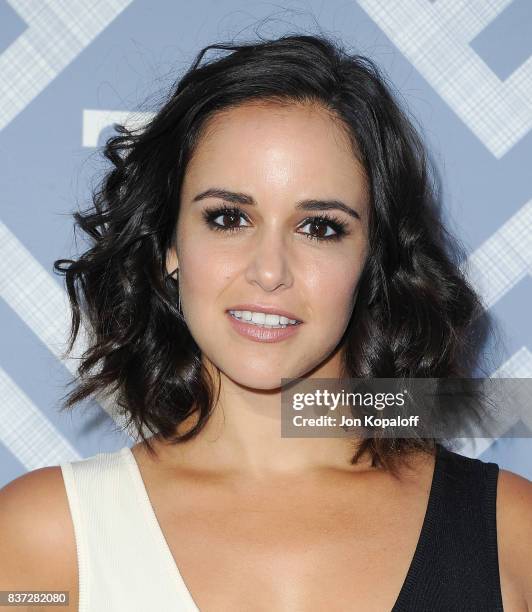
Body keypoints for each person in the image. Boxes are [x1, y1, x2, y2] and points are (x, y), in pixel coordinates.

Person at [1, 33, 531, 612]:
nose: (270, 271)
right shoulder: (46, 542)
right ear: (169, 243)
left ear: (372, 259)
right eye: (228, 218)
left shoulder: (511, 536)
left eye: (321, 227)